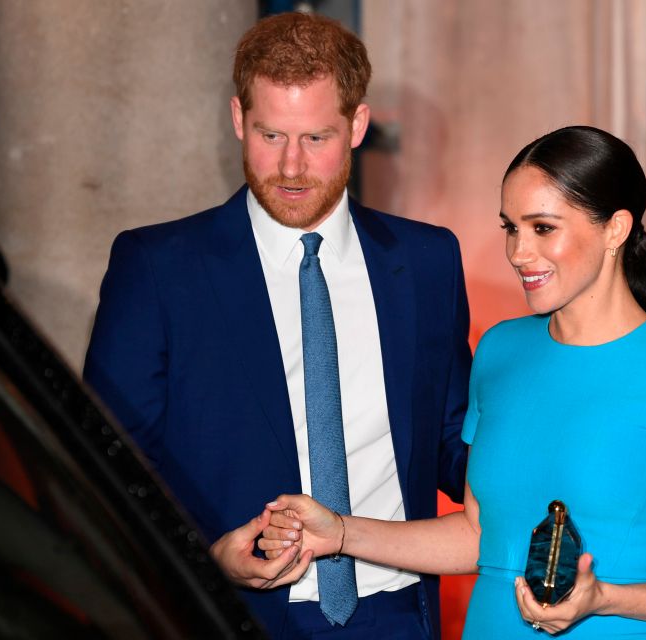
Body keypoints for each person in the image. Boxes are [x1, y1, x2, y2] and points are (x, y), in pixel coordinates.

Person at [257, 126, 646, 638]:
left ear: (616, 229)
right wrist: (339, 533)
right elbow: (480, 536)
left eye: (542, 228)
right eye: (510, 228)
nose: (518, 252)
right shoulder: (500, 350)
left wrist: (603, 598)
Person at [83, 12, 471, 639]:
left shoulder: (426, 261)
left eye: (316, 138)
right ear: (239, 119)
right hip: (229, 615)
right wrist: (206, 558)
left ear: (357, 127)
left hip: (396, 613)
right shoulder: (156, 268)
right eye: (270, 135)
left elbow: (452, 438)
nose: (291, 167)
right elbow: (106, 465)